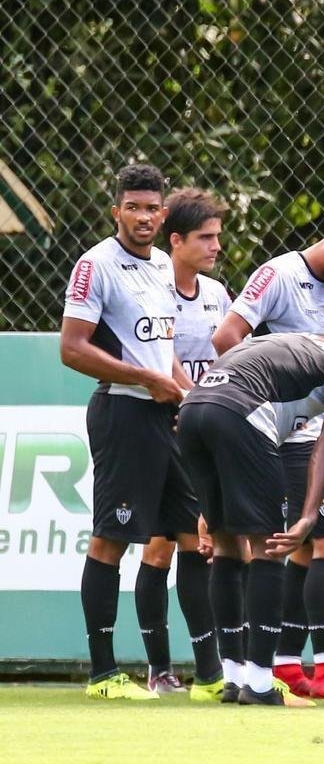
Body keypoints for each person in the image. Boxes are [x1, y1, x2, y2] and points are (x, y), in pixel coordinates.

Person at [210, 214, 324, 700]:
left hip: (315, 427)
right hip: (285, 435)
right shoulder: (280, 274)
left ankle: (285, 663)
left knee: (303, 546)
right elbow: (226, 338)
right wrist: (267, 402)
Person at [178, 292, 324, 707]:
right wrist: (305, 520)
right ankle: (262, 685)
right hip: (240, 416)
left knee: (228, 544)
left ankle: (233, 678)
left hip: (193, 407)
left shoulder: (295, 342)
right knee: (270, 547)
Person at [61, 163, 192, 700]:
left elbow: (166, 350)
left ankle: (208, 673)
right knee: (111, 540)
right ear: (116, 210)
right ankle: (103, 673)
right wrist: (146, 380)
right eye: (131, 208)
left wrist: (189, 397)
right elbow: (72, 348)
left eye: (150, 209)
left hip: (165, 414)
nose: (142, 217)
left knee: (193, 537)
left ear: (163, 215)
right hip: (123, 413)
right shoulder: (95, 266)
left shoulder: (163, 263)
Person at [133, 188, 231, 699]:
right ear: (176, 241)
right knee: (158, 547)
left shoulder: (216, 294)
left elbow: (232, 358)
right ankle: (158, 669)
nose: (216, 245)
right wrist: (188, 401)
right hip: (160, 426)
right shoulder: (150, 289)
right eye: (205, 237)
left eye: (217, 235)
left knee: (199, 543)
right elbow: (155, 354)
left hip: (200, 431)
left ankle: (207, 671)